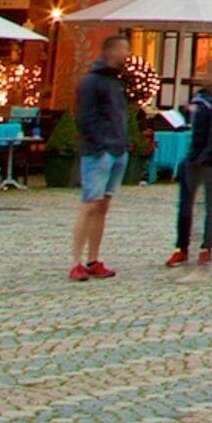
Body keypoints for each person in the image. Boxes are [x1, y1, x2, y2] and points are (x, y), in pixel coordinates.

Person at [68, 37, 133, 281]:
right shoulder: (92, 81)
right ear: (112, 51)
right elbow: (84, 118)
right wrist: (101, 145)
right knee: (90, 204)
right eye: (125, 49)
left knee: (103, 206)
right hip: (99, 151)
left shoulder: (115, 81)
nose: (128, 53)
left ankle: (93, 259)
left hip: (116, 149)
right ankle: (75, 261)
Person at [166, 66, 212, 267]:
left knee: (211, 204)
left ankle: (206, 247)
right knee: (185, 205)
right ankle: (181, 247)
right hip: (194, 159)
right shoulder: (198, 98)